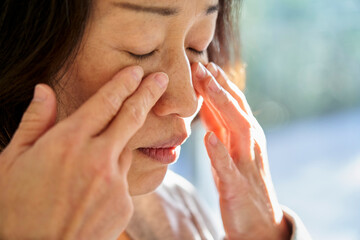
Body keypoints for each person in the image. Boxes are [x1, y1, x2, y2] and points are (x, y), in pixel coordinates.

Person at [0, 0, 311, 239]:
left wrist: (267, 234)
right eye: (141, 49)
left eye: (198, 45)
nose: (188, 102)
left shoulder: (180, 211)